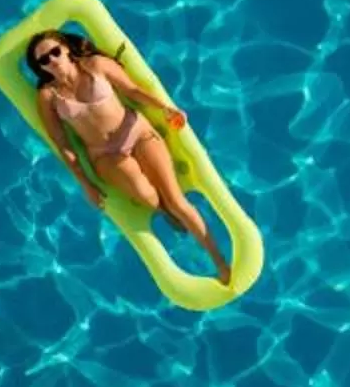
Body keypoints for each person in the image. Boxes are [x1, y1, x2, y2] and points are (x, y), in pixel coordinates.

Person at [26, 29, 231, 284]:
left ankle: (220, 262)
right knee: (148, 196)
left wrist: (165, 108)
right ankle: (163, 210)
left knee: (177, 201)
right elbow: (62, 143)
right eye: (43, 60)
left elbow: (132, 90)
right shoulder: (47, 96)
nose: (52, 60)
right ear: (40, 67)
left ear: (66, 49)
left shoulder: (96, 65)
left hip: (137, 132)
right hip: (104, 155)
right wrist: (86, 185)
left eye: (55, 52)